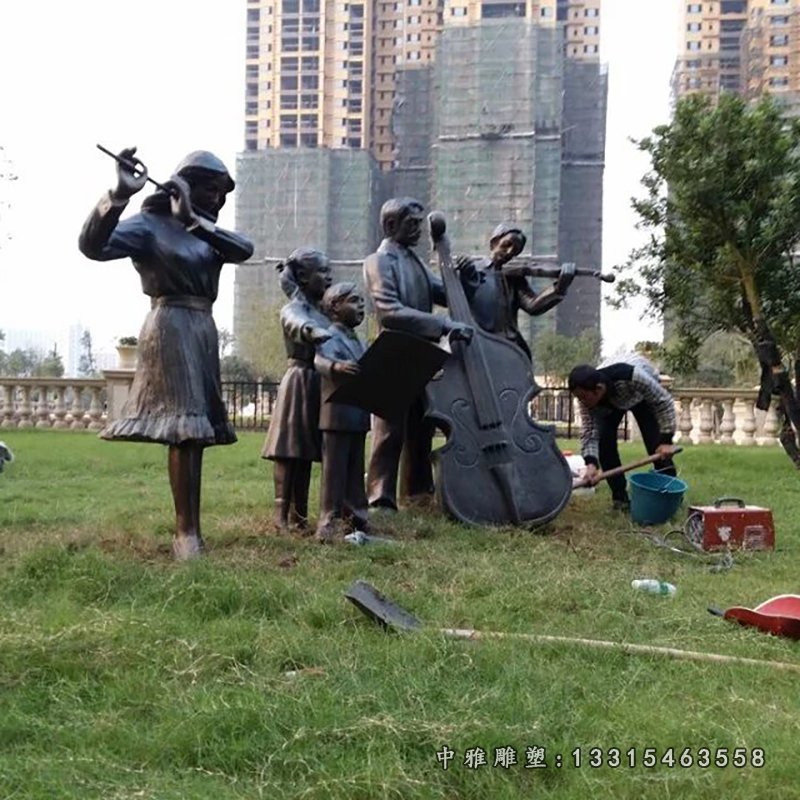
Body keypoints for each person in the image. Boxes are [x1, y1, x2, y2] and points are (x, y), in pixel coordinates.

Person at [78, 147, 254, 559]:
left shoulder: (208, 232)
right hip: (169, 324)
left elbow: (244, 249)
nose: (218, 199)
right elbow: (91, 246)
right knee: (184, 429)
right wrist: (117, 196)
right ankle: (185, 534)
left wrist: (195, 221)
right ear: (186, 184)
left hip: (203, 329)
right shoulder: (148, 226)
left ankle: (190, 528)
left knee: (195, 432)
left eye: (222, 192)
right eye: (211, 189)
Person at [363, 197, 473, 511]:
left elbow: (445, 293)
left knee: (422, 427)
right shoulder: (378, 261)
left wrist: (461, 274)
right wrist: (442, 324)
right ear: (390, 225)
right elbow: (389, 311)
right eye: (412, 224)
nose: (418, 231)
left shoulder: (415, 262)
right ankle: (379, 498)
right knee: (388, 431)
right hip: (395, 351)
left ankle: (417, 492)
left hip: (422, 354)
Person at [261, 248, 332, 530]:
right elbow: (295, 322)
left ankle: (299, 515)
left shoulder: (323, 310)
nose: (328, 278)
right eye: (323, 273)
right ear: (303, 277)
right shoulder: (296, 308)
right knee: (289, 449)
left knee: (305, 452)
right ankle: (280, 514)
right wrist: (311, 331)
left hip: (320, 381)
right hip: (300, 380)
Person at [568, 354, 677, 510]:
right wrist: (591, 464)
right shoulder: (588, 400)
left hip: (640, 395)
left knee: (656, 444)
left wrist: (666, 440)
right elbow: (590, 432)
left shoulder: (632, 376)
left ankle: (669, 493)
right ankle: (620, 499)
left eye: (584, 397)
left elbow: (663, 401)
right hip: (609, 403)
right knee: (605, 444)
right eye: (579, 398)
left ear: (598, 389)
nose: (582, 402)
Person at [455, 223, 575, 360]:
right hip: (480, 343)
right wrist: (464, 272)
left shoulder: (515, 278)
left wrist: (559, 288)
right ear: (494, 243)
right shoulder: (473, 271)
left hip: (510, 346)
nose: (509, 252)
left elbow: (532, 306)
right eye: (506, 245)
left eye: (515, 250)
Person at [313, 282, 371, 542]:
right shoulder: (328, 336)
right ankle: (329, 520)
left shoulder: (358, 340)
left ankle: (357, 516)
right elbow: (319, 361)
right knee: (334, 471)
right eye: (355, 301)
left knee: (355, 470)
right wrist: (336, 367)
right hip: (336, 415)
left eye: (362, 302)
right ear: (335, 307)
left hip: (358, 414)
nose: (361, 306)